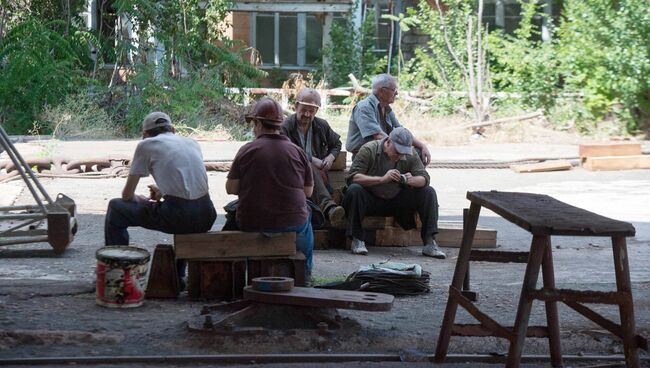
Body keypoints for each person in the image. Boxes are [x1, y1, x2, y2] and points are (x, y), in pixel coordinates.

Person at [226, 98, 315, 275]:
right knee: (306, 216)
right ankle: (305, 272)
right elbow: (308, 192)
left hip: (252, 221)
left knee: (234, 214)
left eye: (254, 123)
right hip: (292, 223)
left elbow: (231, 189)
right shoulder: (297, 151)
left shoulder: (247, 149)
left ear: (258, 123)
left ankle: (243, 269)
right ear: (279, 125)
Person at [105, 111, 216, 246]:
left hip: (179, 216)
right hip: (207, 214)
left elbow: (127, 195)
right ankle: (177, 266)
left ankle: (118, 263)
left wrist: (140, 198)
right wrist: (162, 190)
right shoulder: (192, 142)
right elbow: (188, 184)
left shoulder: (146, 145)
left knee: (116, 207)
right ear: (173, 130)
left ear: (145, 135)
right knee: (178, 213)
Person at [342, 126, 446, 259]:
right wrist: (382, 179)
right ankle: (357, 240)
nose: (400, 156)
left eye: (403, 153)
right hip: (370, 199)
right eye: (397, 152)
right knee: (354, 190)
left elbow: (424, 178)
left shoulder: (411, 154)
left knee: (428, 192)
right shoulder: (369, 150)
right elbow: (353, 178)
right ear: (388, 142)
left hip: (396, 199)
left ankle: (430, 242)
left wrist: (411, 180)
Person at [281, 88, 345, 224]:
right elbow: (285, 150)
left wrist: (330, 157)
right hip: (292, 176)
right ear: (296, 106)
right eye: (304, 109)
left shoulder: (321, 125)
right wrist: (310, 159)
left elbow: (337, 143)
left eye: (312, 111)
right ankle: (329, 207)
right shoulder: (285, 127)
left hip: (318, 179)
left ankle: (331, 212)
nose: (307, 114)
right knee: (307, 165)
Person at [346, 73, 431, 165]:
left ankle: (409, 178)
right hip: (368, 156)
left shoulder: (386, 108)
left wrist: (422, 145)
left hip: (384, 151)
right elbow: (377, 135)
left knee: (418, 152)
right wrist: (400, 147)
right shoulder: (364, 107)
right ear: (382, 91)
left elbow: (401, 131)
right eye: (394, 90)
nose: (396, 93)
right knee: (411, 156)